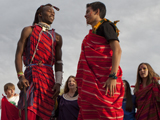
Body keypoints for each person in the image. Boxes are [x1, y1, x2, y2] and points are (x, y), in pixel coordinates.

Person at [75, 1, 124, 120]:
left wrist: (113, 76)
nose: (85, 15)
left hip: (106, 80)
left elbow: (117, 50)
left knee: (107, 112)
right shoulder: (90, 36)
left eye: (88, 12)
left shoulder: (106, 26)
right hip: (92, 81)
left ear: (97, 12)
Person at [15, 3, 63, 120]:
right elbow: (18, 54)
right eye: (49, 11)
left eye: (54, 13)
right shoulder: (28, 31)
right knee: (29, 110)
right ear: (40, 14)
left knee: (45, 113)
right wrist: (21, 76)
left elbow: (58, 62)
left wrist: (58, 83)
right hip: (31, 76)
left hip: (48, 79)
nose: (52, 13)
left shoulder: (57, 37)